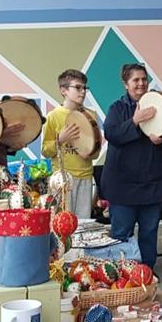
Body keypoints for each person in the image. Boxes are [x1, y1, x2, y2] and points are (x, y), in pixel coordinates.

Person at [101, 63, 162, 270]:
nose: (141, 83)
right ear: (126, 84)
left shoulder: (158, 103)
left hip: (153, 183)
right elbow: (112, 134)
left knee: (149, 231)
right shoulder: (117, 109)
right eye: (136, 80)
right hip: (123, 186)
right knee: (122, 233)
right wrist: (135, 121)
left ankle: (146, 271)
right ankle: (121, 272)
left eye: (144, 79)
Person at [41, 69, 101, 219]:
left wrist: (90, 153)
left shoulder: (90, 114)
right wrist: (60, 139)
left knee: (82, 223)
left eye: (85, 88)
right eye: (78, 87)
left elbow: (97, 148)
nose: (83, 92)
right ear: (63, 90)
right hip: (62, 179)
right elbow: (45, 151)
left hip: (86, 177)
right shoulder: (53, 117)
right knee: (62, 223)